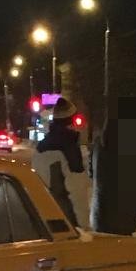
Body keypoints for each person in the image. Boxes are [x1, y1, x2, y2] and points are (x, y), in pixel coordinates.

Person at [35, 97, 84, 227]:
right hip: (65, 217)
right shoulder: (68, 145)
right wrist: (81, 227)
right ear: (71, 119)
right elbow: (76, 189)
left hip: (44, 212)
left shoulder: (42, 145)